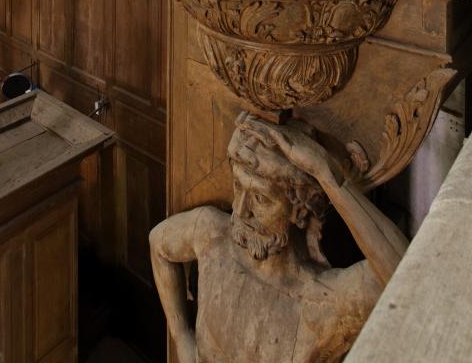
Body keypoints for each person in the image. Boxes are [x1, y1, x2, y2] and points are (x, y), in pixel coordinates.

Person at [150, 112, 408, 363]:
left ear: (299, 210)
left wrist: (328, 176)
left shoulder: (319, 303)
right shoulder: (211, 236)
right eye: (238, 186)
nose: (240, 210)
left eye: (261, 199)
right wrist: (182, 336)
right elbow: (159, 243)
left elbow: (404, 276)